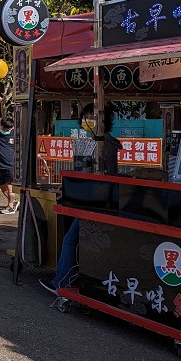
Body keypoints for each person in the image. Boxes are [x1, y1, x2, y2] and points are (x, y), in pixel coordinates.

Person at [41, 104, 120, 295]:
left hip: (95, 202)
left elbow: (98, 175)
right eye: (86, 116)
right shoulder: (98, 141)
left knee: (70, 240)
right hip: (94, 199)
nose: (88, 120)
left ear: (104, 120)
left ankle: (62, 282)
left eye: (92, 116)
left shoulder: (103, 143)